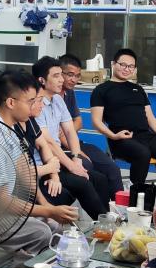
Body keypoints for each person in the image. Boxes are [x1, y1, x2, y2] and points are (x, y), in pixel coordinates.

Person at [0, 70, 80, 229]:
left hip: (7, 206)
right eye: (31, 101)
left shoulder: (11, 130)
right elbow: (1, 202)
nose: (36, 106)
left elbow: (26, 174)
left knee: (53, 226)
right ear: (11, 103)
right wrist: (48, 211)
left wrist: (47, 206)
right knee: (43, 231)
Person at [32, 56, 109, 218]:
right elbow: (49, 143)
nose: (62, 80)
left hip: (57, 158)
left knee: (100, 179)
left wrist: (76, 157)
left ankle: (105, 219)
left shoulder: (58, 99)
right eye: (56, 76)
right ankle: (103, 223)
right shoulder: (36, 105)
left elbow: (70, 131)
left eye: (61, 74)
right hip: (44, 162)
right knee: (83, 183)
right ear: (42, 80)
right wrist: (72, 167)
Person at [89, 48, 156, 195]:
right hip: (121, 138)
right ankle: (135, 193)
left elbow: (151, 118)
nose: (127, 69)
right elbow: (96, 121)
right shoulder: (101, 90)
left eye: (131, 66)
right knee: (143, 153)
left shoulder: (138, 89)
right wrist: (113, 136)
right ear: (113, 64)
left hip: (145, 136)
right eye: (123, 65)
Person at [57, 54, 123, 199]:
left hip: (74, 142)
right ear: (58, 73)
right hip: (58, 148)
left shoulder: (69, 93)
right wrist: (76, 150)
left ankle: (120, 207)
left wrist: (67, 132)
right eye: (70, 75)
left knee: (112, 169)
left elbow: (78, 122)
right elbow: (55, 135)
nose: (74, 80)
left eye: (77, 76)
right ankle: (100, 210)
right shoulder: (49, 97)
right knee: (89, 168)